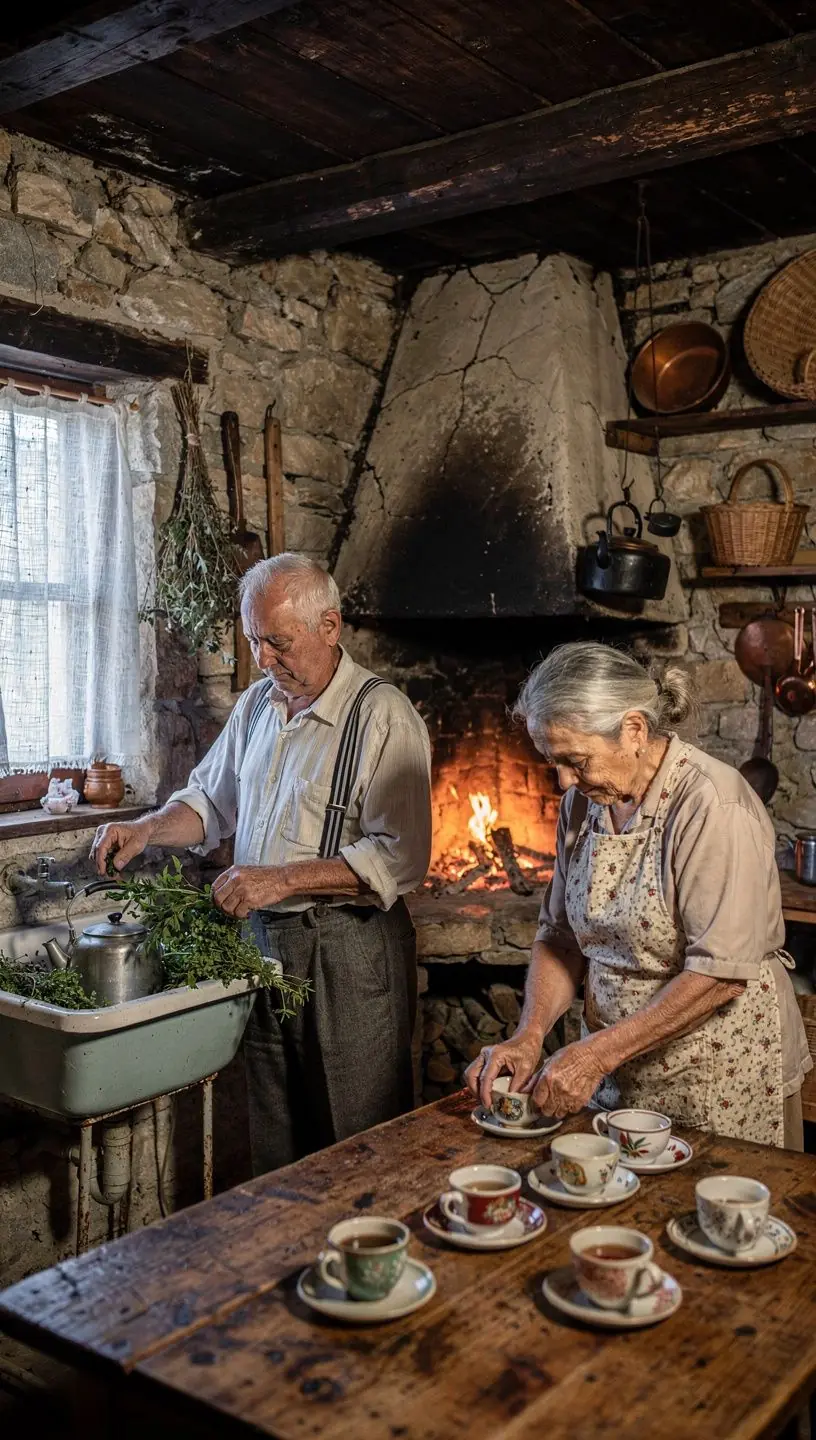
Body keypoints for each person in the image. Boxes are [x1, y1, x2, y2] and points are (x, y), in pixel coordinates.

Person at [92, 552, 432, 1173]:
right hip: (263, 944)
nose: (263, 659)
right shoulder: (256, 707)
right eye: (254, 640)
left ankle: (364, 1264)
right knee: (274, 1136)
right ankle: (285, 1266)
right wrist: (145, 828)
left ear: (330, 628)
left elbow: (402, 856)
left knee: (357, 1144)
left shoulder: (383, 716)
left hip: (348, 951)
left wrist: (280, 879)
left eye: (278, 642)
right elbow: (207, 804)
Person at [466, 641, 811, 1150]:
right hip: (615, 1061)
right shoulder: (583, 804)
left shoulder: (711, 804)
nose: (563, 780)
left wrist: (595, 1055)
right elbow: (560, 937)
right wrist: (530, 1034)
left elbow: (718, 974)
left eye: (574, 760)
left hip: (715, 1068)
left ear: (633, 730)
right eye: (552, 761)